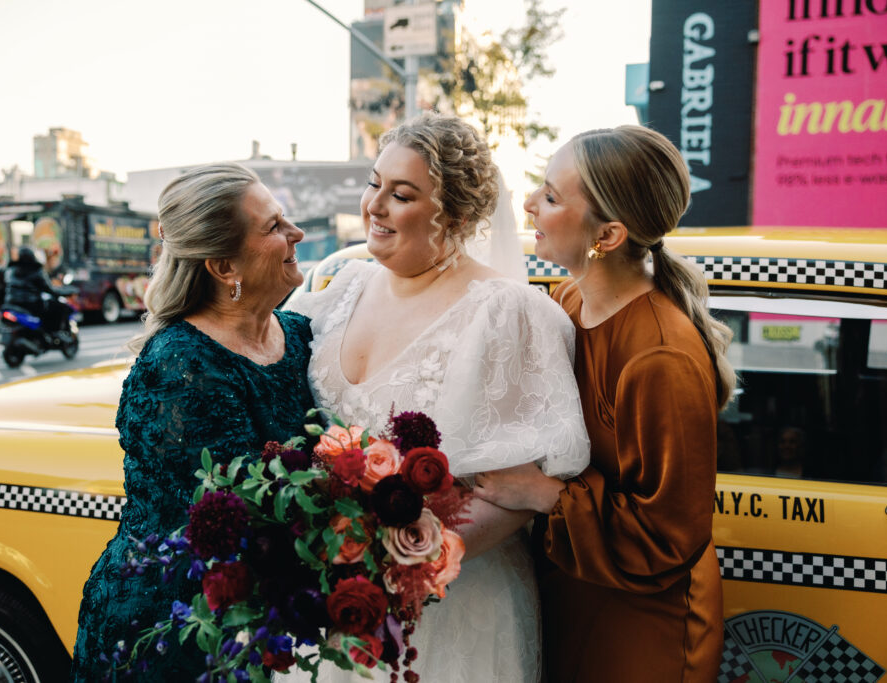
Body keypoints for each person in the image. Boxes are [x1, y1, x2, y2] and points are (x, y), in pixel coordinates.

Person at [285, 112, 591, 682]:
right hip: (328, 604)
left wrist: (396, 566)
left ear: (457, 215)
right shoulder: (338, 291)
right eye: (374, 183)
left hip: (450, 614)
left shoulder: (508, 314)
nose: (374, 205)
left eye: (400, 194)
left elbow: (519, 492)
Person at [473, 125, 736, 682]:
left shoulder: (659, 358)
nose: (528, 204)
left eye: (550, 196)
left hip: (643, 625)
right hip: (574, 589)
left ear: (607, 235)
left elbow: (667, 538)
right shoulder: (567, 300)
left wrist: (541, 492)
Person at [71, 163, 314, 680]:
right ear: (225, 267)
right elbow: (249, 515)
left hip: (260, 623)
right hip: (172, 634)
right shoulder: (180, 366)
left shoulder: (302, 336)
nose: (297, 234)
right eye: (273, 227)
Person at [2, 245, 71, 337]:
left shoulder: (10, 270)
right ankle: (53, 333)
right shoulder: (36, 270)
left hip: (11, 302)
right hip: (31, 303)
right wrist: (63, 292)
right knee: (54, 308)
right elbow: (47, 288)